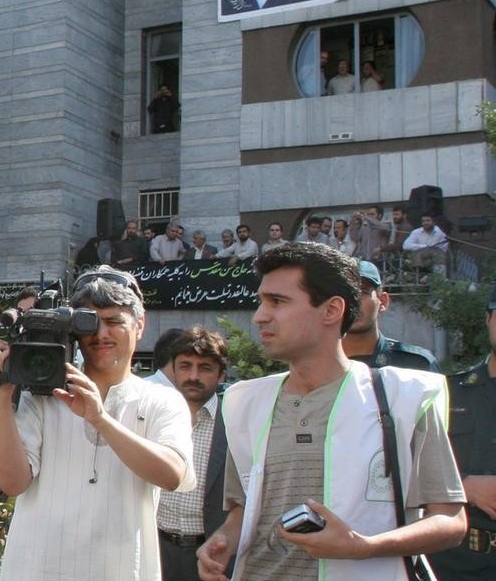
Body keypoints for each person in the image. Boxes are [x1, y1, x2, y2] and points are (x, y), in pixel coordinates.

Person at [196, 243, 467, 581]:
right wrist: (225, 538)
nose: (259, 316)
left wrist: (364, 546)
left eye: (277, 302)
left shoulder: (404, 398)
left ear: (331, 310)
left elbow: (451, 522)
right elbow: (243, 507)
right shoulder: (243, 402)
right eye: (261, 301)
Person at [0, 266, 195, 581]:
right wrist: (2, 398)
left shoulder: (161, 400)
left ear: (140, 325)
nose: (101, 335)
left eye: (114, 322)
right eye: (91, 323)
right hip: (34, 569)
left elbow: (171, 475)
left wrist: (100, 418)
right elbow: (13, 483)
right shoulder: (43, 395)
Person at [426, 287, 496, 580]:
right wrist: (465, 486)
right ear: (488, 319)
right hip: (457, 563)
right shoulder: (446, 392)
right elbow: (406, 469)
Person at [158, 326, 231, 581]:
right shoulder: (155, 417)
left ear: (222, 375)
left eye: (205, 368)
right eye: (185, 366)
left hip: (208, 554)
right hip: (156, 548)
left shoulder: (233, 422)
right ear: (174, 370)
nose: (193, 376)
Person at [342, 260, 439, 372]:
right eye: (344, 293)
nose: (353, 302)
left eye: (363, 292)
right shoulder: (319, 366)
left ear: (382, 302)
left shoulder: (418, 365)